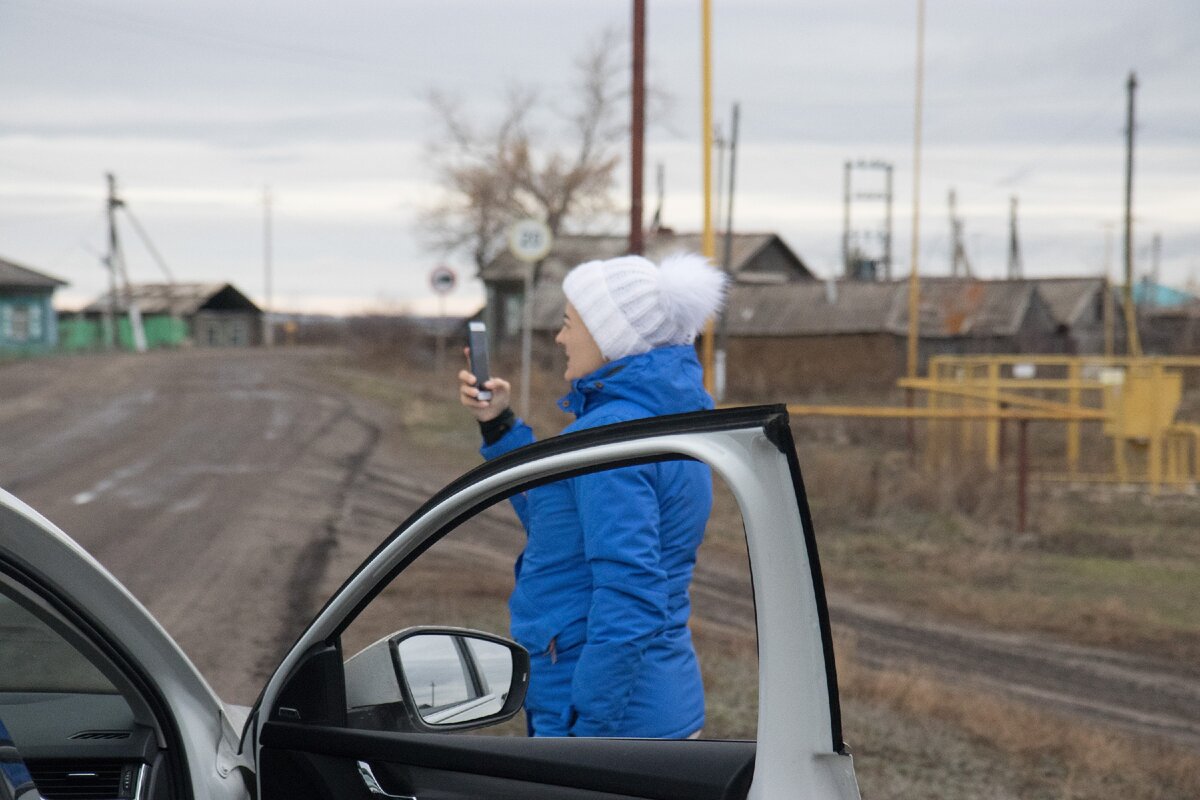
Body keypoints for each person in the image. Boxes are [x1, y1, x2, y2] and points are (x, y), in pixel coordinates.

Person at [458, 252, 727, 739]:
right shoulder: (669, 418)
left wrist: (588, 734)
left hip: (613, 719)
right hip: (648, 704)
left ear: (610, 335)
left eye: (568, 323)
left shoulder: (612, 436)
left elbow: (631, 595)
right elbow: (558, 521)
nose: (561, 337)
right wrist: (499, 425)